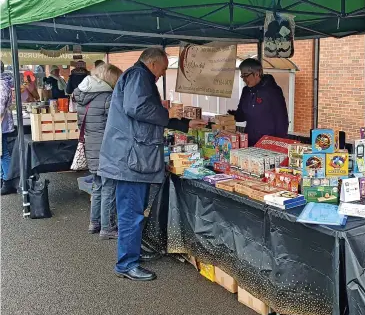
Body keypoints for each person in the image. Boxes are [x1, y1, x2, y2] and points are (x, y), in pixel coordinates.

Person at [98, 48, 205, 281]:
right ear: (154, 64)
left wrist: (183, 123)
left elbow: (144, 113)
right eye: (164, 69)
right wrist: (167, 112)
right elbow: (136, 109)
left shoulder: (137, 76)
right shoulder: (138, 76)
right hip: (130, 160)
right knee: (131, 213)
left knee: (134, 210)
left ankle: (132, 253)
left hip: (132, 157)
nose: (163, 74)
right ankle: (126, 263)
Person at [74, 63, 123, 240]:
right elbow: (117, 124)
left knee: (97, 186)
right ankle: (107, 228)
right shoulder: (107, 98)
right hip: (106, 148)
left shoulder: (82, 95)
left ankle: (94, 223)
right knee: (109, 187)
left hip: (90, 146)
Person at [228, 58, 288, 146]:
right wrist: (229, 117)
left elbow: (282, 121)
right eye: (242, 76)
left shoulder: (272, 91)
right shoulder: (246, 91)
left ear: (257, 74)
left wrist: (278, 144)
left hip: (268, 143)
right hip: (250, 142)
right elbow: (242, 115)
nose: (244, 79)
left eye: (246, 75)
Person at [0, 61, 17, 195]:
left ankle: (8, 180)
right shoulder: (4, 83)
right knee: (1, 153)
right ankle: (4, 178)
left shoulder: (1, 85)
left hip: (2, 124)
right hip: (4, 123)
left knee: (4, 153)